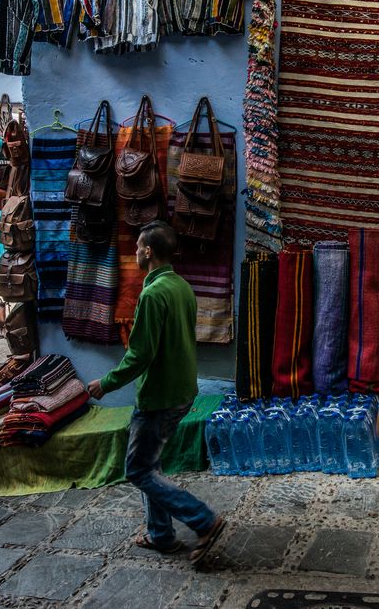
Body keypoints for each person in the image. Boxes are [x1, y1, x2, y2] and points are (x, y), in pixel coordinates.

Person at [87, 221, 226, 562]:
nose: (134, 252)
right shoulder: (182, 287)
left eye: (137, 246)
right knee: (152, 463)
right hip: (182, 391)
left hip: (159, 396)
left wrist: (105, 384)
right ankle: (161, 535)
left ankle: (204, 520)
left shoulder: (153, 293)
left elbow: (140, 354)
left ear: (148, 251)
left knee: (138, 470)